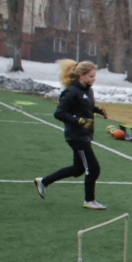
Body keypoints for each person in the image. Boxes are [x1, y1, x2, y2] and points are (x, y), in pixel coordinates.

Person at [35, 59, 108, 209]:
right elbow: (59, 113)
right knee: (93, 169)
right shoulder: (71, 91)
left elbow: (84, 107)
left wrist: (97, 110)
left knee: (78, 169)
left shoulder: (88, 90)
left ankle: (44, 181)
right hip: (76, 136)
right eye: (91, 76)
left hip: (85, 135)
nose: (93, 79)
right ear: (81, 75)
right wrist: (78, 121)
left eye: (94, 76)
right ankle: (89, 200)